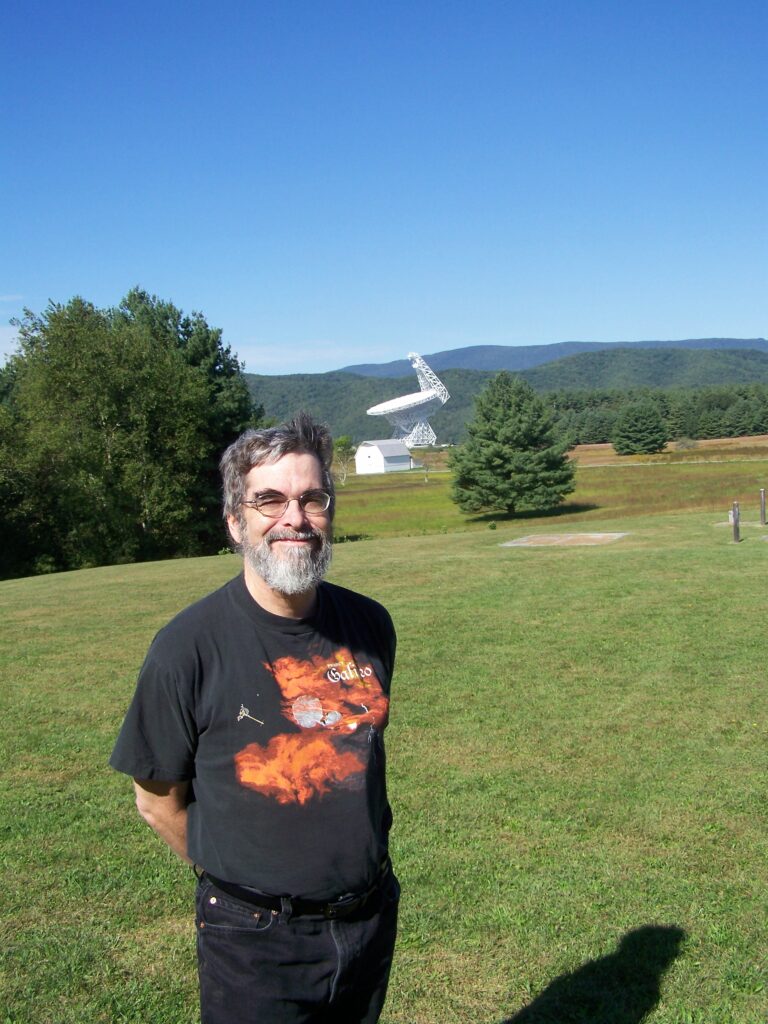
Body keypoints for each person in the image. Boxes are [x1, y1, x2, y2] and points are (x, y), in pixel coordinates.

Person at [110, 413, 399, 1024]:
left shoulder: (370, 626)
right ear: (235, 521)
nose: (293, 518)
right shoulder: (186, 648)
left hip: (369, 918)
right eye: (268, 500)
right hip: (253, 942)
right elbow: (157, 802)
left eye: (311, 498)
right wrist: (245, 890)